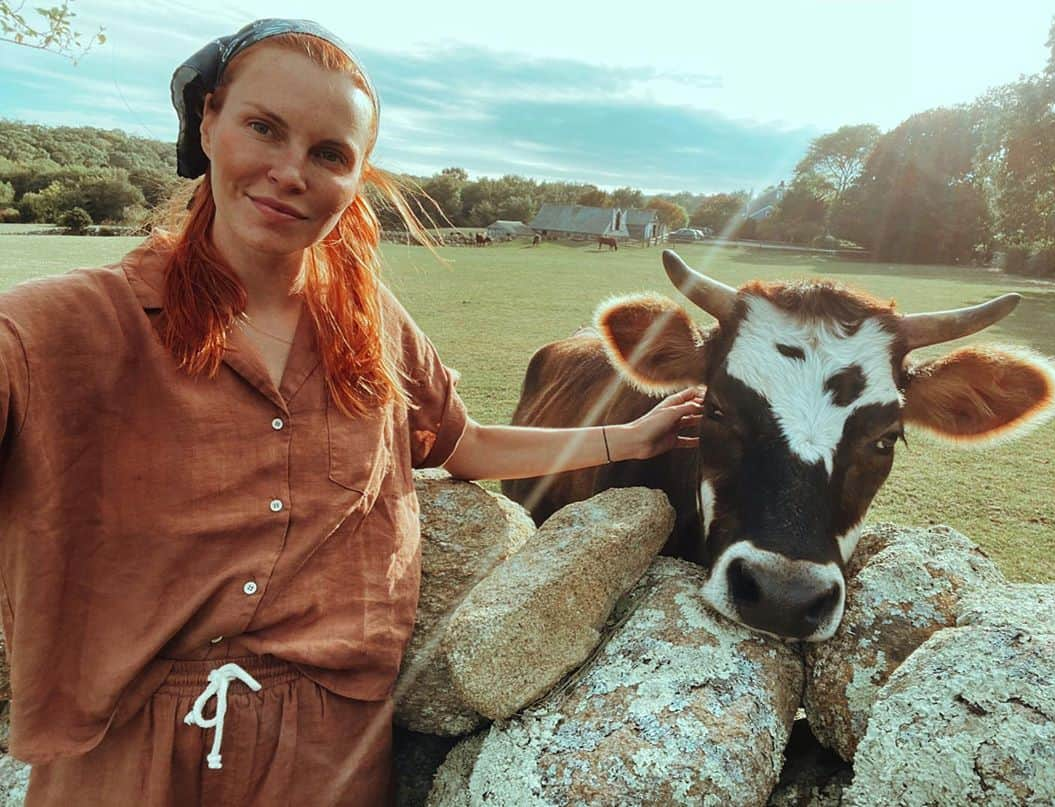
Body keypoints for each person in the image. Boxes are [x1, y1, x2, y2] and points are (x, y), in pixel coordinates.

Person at [0, 19, 703, 806]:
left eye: (329, 153)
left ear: (357, 177)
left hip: (323, 753)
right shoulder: (54, 329)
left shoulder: (371, 324)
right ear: (208, 123)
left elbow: (463, 443)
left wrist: (631, 433)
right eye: (263, 128)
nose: (289, 170)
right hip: (123, 754)